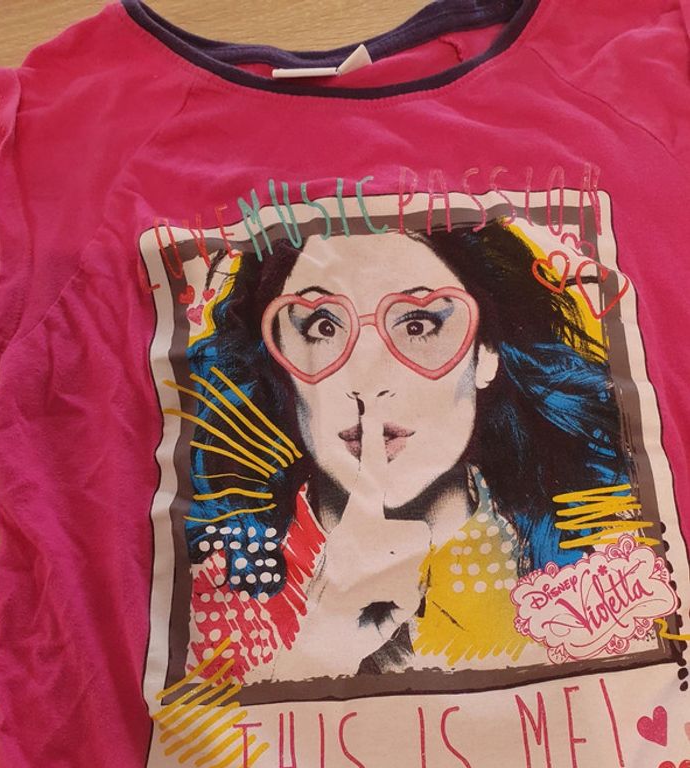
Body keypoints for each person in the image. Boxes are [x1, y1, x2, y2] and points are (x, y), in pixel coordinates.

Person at [181, 218, 630, 684]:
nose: (368, 381)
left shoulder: (593, 563)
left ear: (486, 353)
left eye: (418, 324)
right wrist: (325, 643)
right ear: (278, 365)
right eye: (323, 327)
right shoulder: (221, 587)